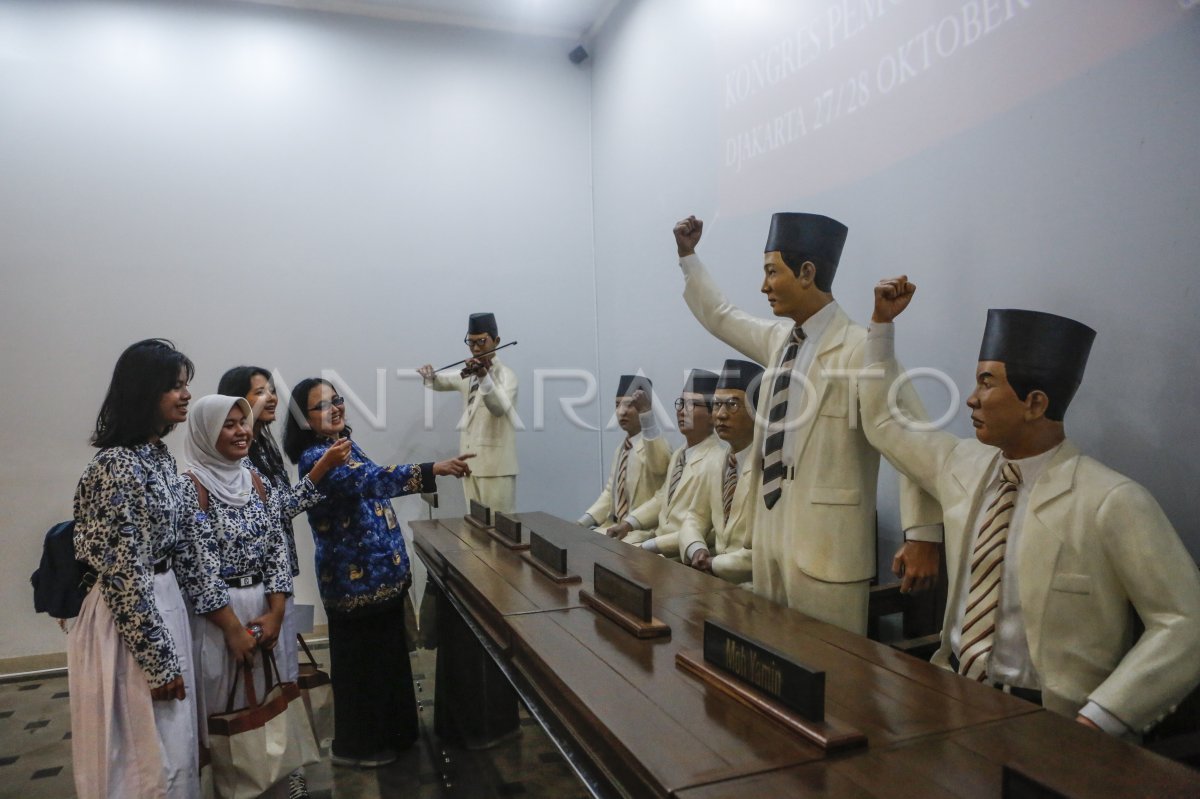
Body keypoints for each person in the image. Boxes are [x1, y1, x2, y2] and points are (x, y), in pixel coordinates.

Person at [863, 276, 1200, 736]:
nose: (971, 398)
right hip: (952, 698)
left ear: (1035, 403)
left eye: (987, 383)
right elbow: (884, 422)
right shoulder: (963, 465)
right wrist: (882, 327)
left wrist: (1103, 718)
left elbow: (1186, 621)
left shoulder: (1110, 501)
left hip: (1052, 725)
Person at [672, 213, 943, 634]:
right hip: (769, 545)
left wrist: (923, 535)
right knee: (772, 660)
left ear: (807, 273)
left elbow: (910, 434)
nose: (763, 286)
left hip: (829, 552)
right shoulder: (780, 342)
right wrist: (688, 257)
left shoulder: (860, 348)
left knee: (830, 667)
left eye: (771, 272)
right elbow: (721, 315)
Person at [283, 377, 472, 768]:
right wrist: (432, 468)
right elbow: (373, 481)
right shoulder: (317, 458)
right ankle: (360, 748)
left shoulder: (341, 445)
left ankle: (397, 734)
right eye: (323, 405)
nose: (336, 407)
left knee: (388, 661)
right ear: (304, 419)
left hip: (381, 579)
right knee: (363, 669)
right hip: (353, 585)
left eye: (338, 399)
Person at [69, 338, 201, 798]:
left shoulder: (157, 455)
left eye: (184, 385)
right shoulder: (115, 466)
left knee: (173, 744)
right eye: (174, 386)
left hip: (161, 601)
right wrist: (159, 662)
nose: (185, 394)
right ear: (144, 392)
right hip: (131, 620)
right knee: (144, 754)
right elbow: (123, 573)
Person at [217, 368, 348, 798]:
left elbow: (276, 514)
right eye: (260, 392)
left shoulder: (263, 444)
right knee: (260, 683)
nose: (272, 397)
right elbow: (276, 512)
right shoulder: (239, 456)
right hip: (249, 587)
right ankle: (265, 775)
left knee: (282, 675)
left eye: (272, 390)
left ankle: (286, 771)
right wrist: (322, 469)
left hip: (275, 577)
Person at [179, 395, 297, 798]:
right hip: (219, 618)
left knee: (267, 699)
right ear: (206, 433)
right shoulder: (191, 487)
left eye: (242, 422)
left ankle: (271, 783)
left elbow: (277, 548)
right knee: (225, 704)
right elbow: (199, 567)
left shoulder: (255, 480)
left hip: (263, 606)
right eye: (228, 425)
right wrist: (232, 629)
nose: (241, 431)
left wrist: (276, 612)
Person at [612, 370, 724, 559]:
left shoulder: (718, 460)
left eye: (692, 405)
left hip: (682, 555)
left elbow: (711, 530)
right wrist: (629, 523)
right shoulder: (680, 453)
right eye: (681, 403)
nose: (682, 411)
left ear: (713, 414)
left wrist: (652, 545)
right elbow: (662, 497)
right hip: (657, 544)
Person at [418, 312, 519, 513]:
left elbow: (498, 407)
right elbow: (443, 381)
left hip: (496, 468)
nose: (475, 348)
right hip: (470, 466)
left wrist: (484, 377)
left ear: (496, 341)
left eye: (481, 341)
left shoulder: (507, 376)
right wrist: (430, 376)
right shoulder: (470, 374)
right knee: (474, 524)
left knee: (501, 526)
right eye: (471, 342)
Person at [679, 358, 764, 586]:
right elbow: (695, 517)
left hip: (754, 589)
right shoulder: (716, 461)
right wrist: (697, 549)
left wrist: (714, 564)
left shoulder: (770, 468)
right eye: (717, 405)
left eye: (732, 405)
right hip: (713, 582)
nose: (721, 414)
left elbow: (766, 551)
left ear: (757, 411)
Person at [577, 375, 672, 532]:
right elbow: (610, 493)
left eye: (630, 405)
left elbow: (659, 466)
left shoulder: (655, 446)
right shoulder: (622, 448)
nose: (621, 412)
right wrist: (582, 522)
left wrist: (647, 415)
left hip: (640, 532)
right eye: (617, 405)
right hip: (612, 527)